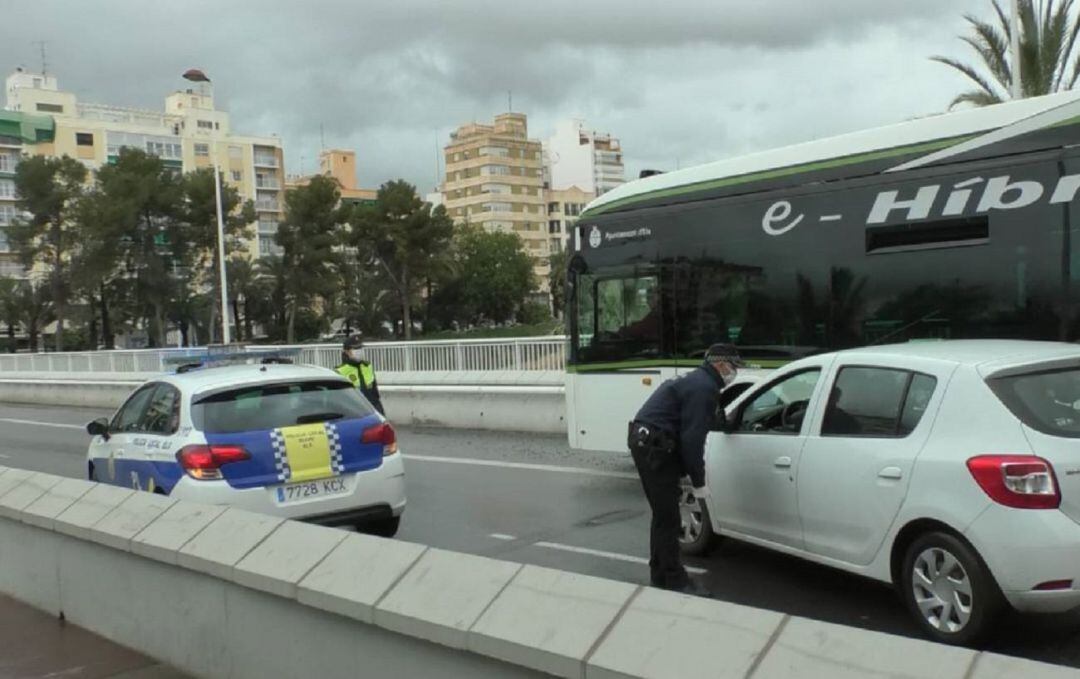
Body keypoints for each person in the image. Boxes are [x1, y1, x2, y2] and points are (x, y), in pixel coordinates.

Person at [628, 342, 742, 595]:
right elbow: (693, 442)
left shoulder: (699, 380)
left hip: (646, 442)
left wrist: (722, 421)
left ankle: (660, 574)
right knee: (668, 517)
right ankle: (675, 580)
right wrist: (699, 483)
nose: (735, 372)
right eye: (734, 366)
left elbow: (700, 418)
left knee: (663, 515)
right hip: (655, 449)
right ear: (721, 364)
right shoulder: (705, 387)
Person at [335, 335, 385, 415]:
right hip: (353, 415)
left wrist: (381, 415)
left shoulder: (367, 366)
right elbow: (339, 401)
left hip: (372, 412)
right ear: (346, 351)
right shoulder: (339, 371)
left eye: (360, 348)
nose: (359, 351)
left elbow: (375, 395)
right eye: (355, 349)